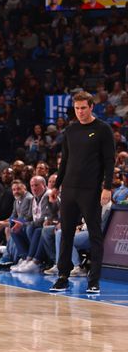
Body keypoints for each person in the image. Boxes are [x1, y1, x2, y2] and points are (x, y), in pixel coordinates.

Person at [50, 91, 115, 294]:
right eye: (77, 108)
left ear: (91, 107)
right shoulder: (70, 130)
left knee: (95, 235)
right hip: (69, 189)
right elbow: (65, 161)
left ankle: (93, 280)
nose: (80, 112)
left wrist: (107, 187)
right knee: (66, 234)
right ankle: (62, 277)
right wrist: (55, 186)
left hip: (91, 190)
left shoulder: (103, 129)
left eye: (83, 108)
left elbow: (109, 161)